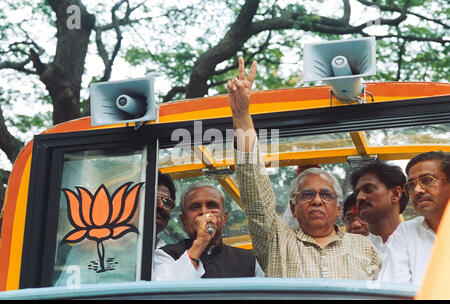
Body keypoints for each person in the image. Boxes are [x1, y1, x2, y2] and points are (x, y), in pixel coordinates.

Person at [227, 57, 380, 279]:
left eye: (326, 194)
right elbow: (256, 194)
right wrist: (241, 114)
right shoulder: (277, 242)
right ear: (293, 207)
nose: (317, 200)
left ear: (338, 208)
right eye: (307, 194)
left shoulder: (366, 248)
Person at [153, 182, 263, 280]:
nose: (204, 212)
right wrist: (201, 242)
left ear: (224, 218)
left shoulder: (250, 260)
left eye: (211, 205)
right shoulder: (165, 254)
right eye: (195, 207)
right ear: (184, 221)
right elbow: (164, 291)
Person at [379, 151, 450, 285]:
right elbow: (394, 291)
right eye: (411, 185)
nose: (417, 190)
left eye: (427, 180)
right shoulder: (406, 232)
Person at [350, 161, 408, 252]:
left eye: (369, 189)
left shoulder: (419, 239)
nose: (359, 198)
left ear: (395, 194)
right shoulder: (351, 250)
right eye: (357, 193)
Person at [155, 171, 177, 249]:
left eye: (166, 202)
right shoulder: (117, 247)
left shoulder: (167, 256)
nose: (160, 206)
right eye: (153, 199)